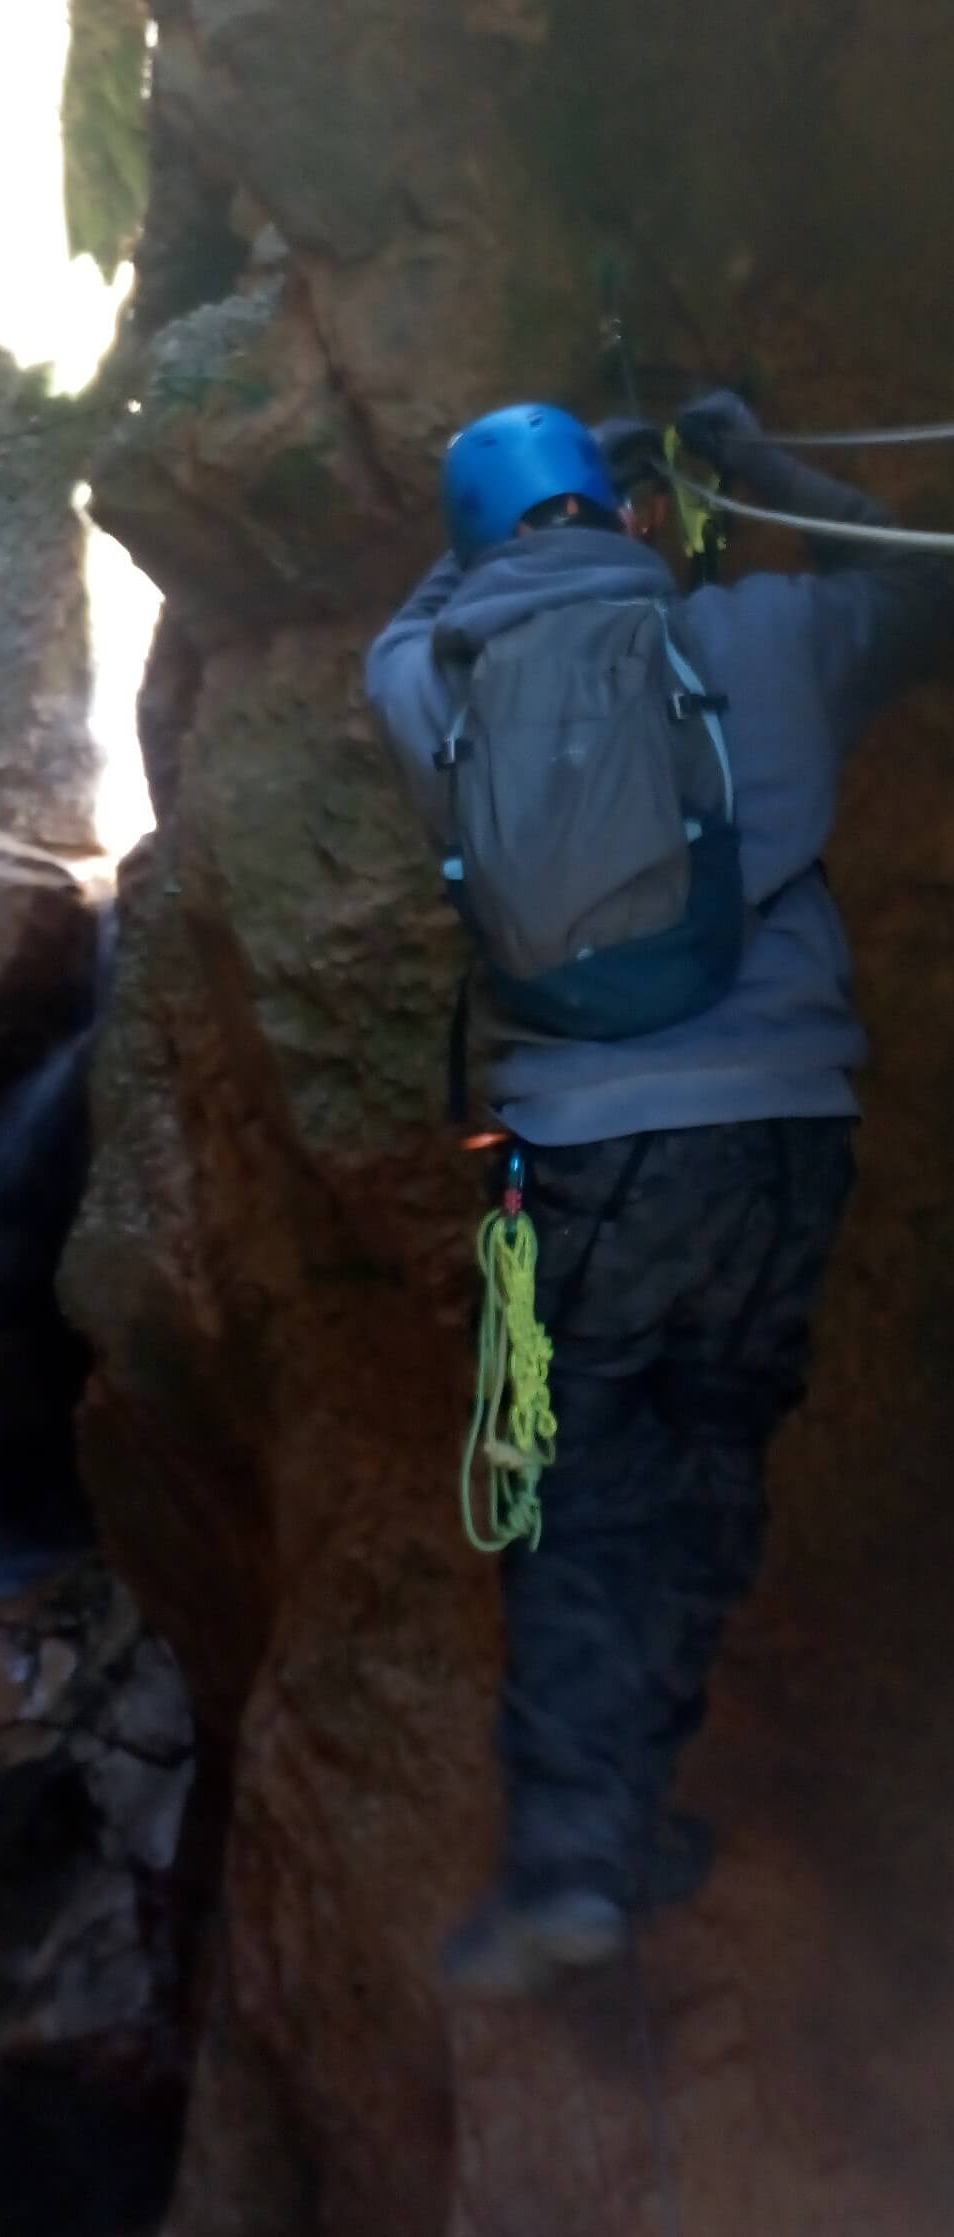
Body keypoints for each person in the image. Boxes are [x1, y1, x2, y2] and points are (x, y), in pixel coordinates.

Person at [365, 395, 951, 1999]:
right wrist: (754, 466)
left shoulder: (430, 685)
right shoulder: (765, 635)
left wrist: (506, 521)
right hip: (779, 1138)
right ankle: (630, 1833)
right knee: (703, 1472)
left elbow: (414, 614)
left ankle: (575, 1861)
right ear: (627, 521)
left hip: (593, 1159)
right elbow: (932, 582)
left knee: (580, 1503)